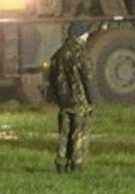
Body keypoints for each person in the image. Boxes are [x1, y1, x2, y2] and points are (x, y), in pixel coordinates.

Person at [49, 22, 94, 173]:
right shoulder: (81, 54)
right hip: (80, 101)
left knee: (64, 134)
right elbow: (87, 79)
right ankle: (77, 165)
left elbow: (51, 78)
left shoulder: (58, 54)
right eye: (86, 33)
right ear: (80, 35)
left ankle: (61, 163)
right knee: (79, 134)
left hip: (64, 101)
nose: (88, 35)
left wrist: (57, 97)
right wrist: (91, 100)